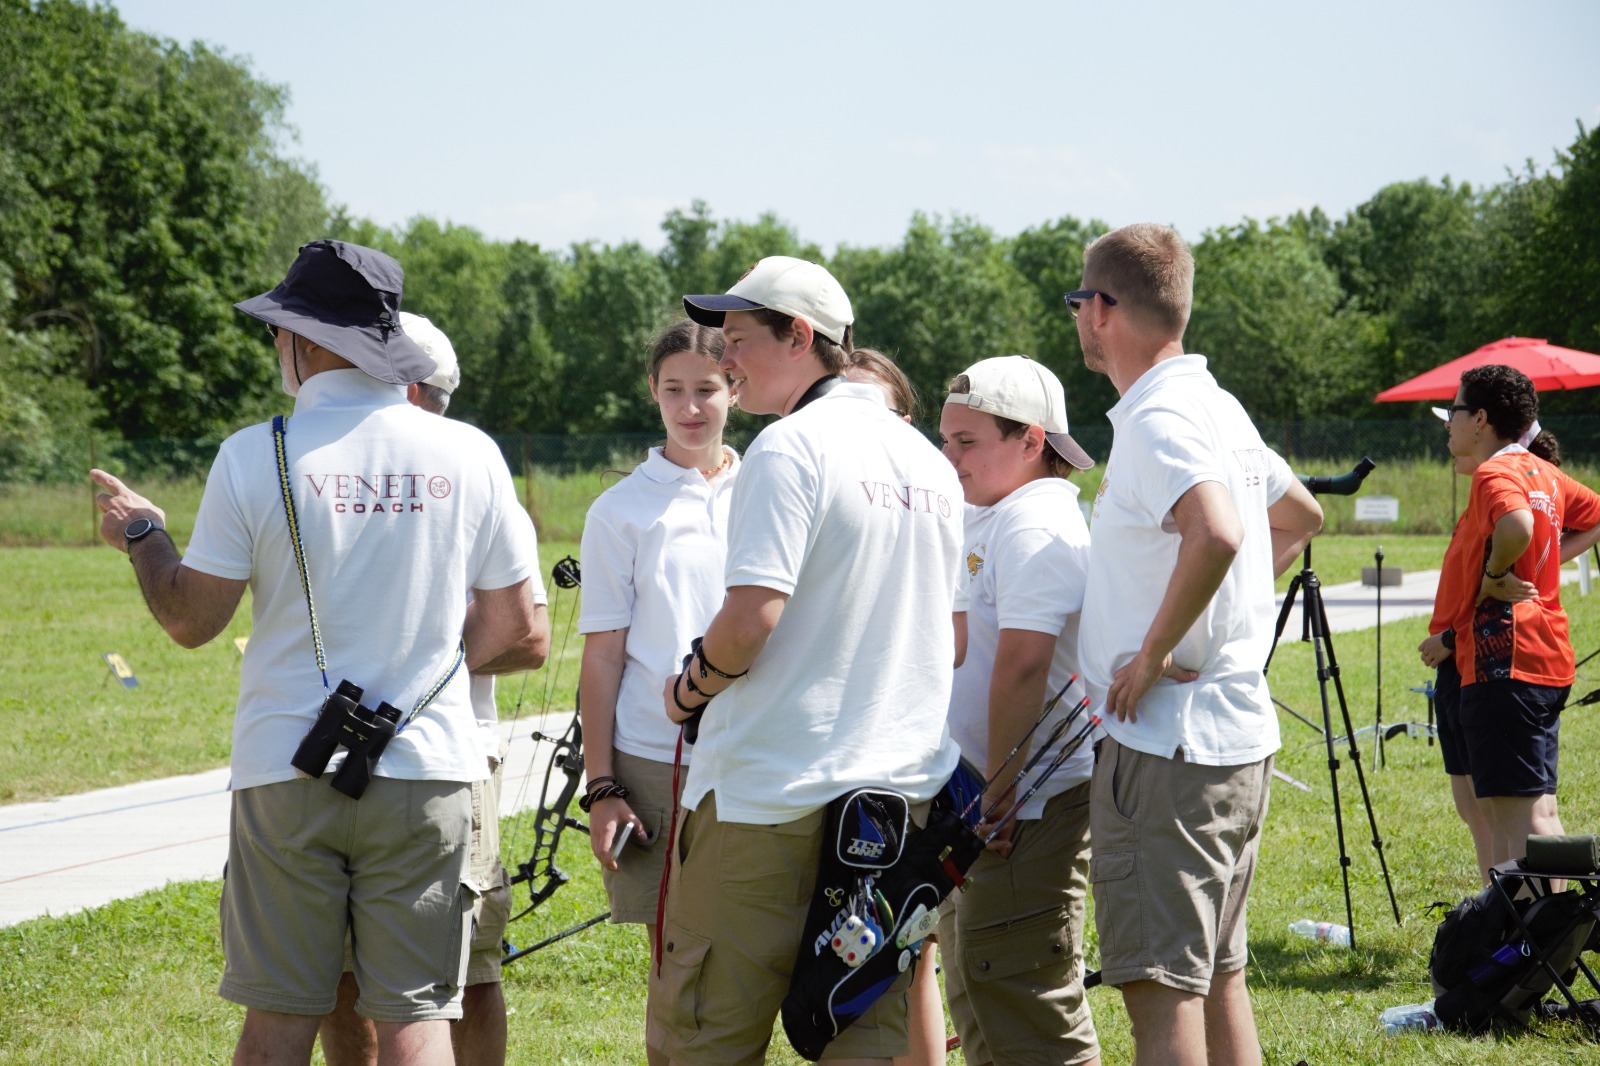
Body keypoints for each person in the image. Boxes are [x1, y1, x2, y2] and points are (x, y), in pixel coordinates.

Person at [91, 240, 548, 1066]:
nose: (276, 348)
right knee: (419, 1018)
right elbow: (518, 625)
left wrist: (141, 533)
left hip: (287, 769)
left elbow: (192, 619)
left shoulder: (252, 453)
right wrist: (420, 681)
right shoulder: (470, 452)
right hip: (428, 767)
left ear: (304, 339)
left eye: (277, 331)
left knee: (277, 1020)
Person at [650, 255, 964, 1066]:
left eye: (740, 339)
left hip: (767, 796)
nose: (723, 361)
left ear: (801, 336)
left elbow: (751, 617)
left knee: (706, 1035)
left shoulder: (789, 448)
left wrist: (689, 689)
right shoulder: (929, 461)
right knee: (865, 1034)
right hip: (893, 804)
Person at [1071, 223, 1322, 1066]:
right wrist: (1228, 623)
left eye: (1080, 301)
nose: (1078, 317)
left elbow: (1213, 532)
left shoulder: (1157, 418)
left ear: (1102, 311)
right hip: (1229, 735)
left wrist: (1153, 653)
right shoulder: (1218, 406)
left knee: (1159, 995)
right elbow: (1299, 516)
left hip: (1170, 746)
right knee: (1217, 977)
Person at [317, 312, 547, 1066]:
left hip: (448, 759)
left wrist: (418, 667)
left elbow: (528, 634)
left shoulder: (471, 472)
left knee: (466, 974)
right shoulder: (320, 474)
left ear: (410, 387)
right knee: (337, 970)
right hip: (326, 752)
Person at [576, 317, 737, 1066]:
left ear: (736, 387)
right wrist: (601, 782)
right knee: (673, 966)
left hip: (754, 755)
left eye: (706, 389)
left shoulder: (771, 487)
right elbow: (603, 656)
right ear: (652, 393)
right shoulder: (620, 510)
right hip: (653, 756)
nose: (690, 407)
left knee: (748, 956)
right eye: (673, 390)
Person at [937, 355, 1101, 1066]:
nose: (950, 457)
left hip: (1023, 805)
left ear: (1031, 441)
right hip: (982, 797)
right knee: (977, 982)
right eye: (947, 439)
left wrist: (997, 796)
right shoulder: (995, 512)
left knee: (1025, 993)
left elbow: (1024, 664)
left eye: (967, 442)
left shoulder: (1035, 524)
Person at [1426, 364, 1600, 875]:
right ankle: (1522, 941)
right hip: (1537, 656)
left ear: (1480, 419)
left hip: (1506, 662)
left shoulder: (1498, 472)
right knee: (1525, 814)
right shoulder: (1540, 472)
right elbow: (1589, 516)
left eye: (1454, 411)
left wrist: (1497, 571)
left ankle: (1545, 941)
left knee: (1521, 823)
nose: (1449, 423)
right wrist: (1534, 563)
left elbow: (1519, 524)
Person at [844, 346, 945, 1066]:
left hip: (905, 757)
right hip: (839, 758)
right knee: (857, 955)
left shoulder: (931, 495)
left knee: (912, 951)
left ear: (905, 418)